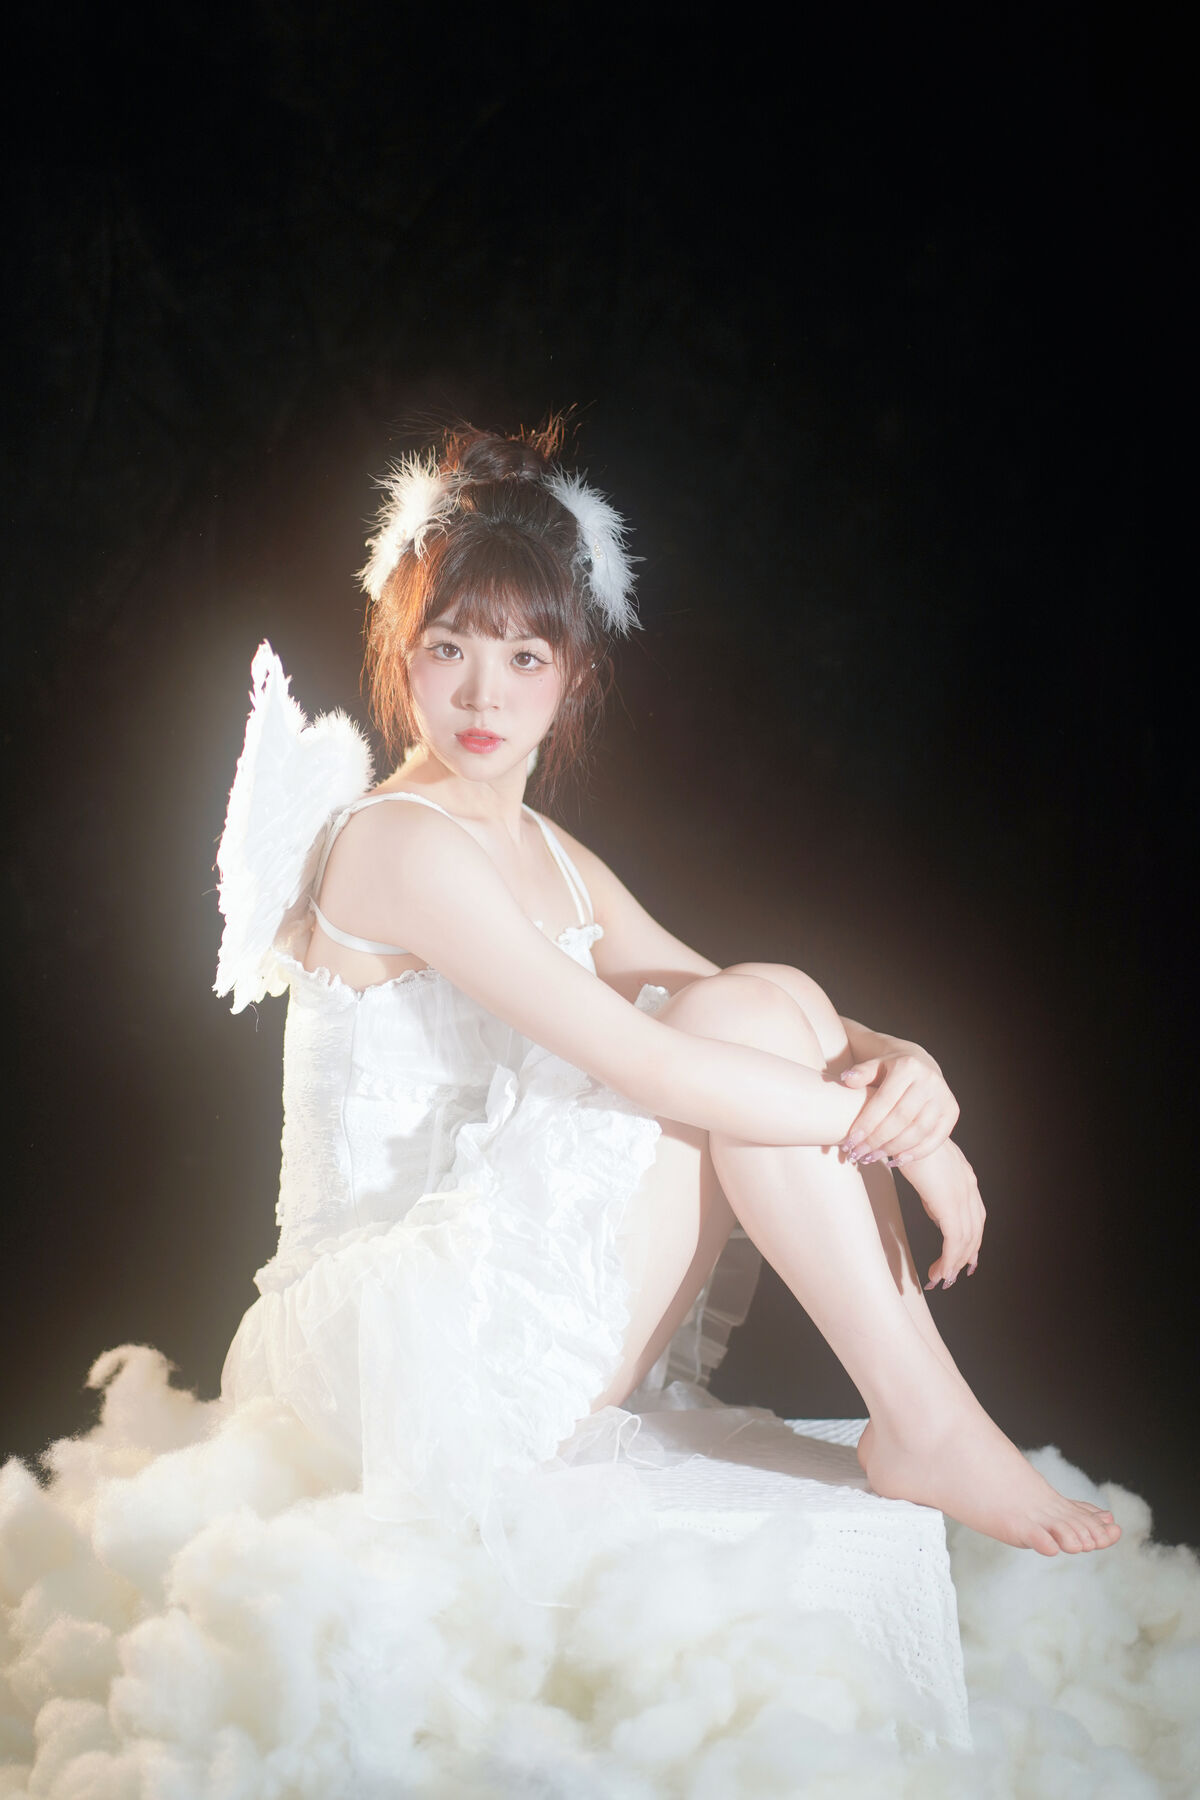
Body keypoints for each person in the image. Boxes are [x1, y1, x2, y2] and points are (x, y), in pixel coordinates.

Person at [214, 419, 1119, 1560]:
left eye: (526, 658)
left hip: (494, 1301)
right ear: (405, 660)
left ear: (574, 677)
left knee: (768, 993)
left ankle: (924, 1424)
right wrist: (907, 1143)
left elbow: (738, 997)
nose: (483, 694)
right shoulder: (397, 842)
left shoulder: (546, 852)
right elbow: (649, 1063)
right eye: (450, 648)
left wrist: (905, 1062)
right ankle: (929, 1425)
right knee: (733, 1024)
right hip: (388, 1365)